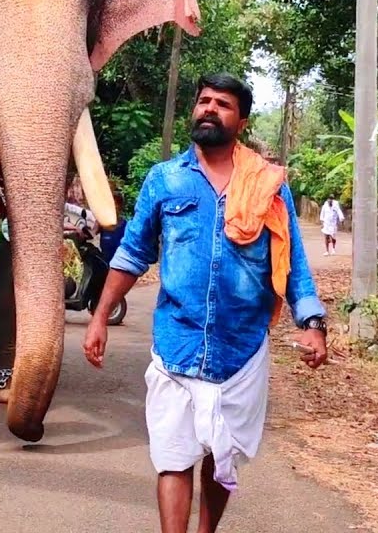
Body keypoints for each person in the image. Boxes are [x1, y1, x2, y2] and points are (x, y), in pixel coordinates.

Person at [82, 73, 328, 533]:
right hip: (177, 342)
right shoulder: (166, 180)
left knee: (221, 458)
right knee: (173, 457)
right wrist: (99, 317)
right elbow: (133, 253)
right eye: (204, 101)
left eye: (223, 104)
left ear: (242, 120)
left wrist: (311, 321)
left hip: (241, 350)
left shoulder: (268, 186)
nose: (209, 109)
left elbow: (291, 258)